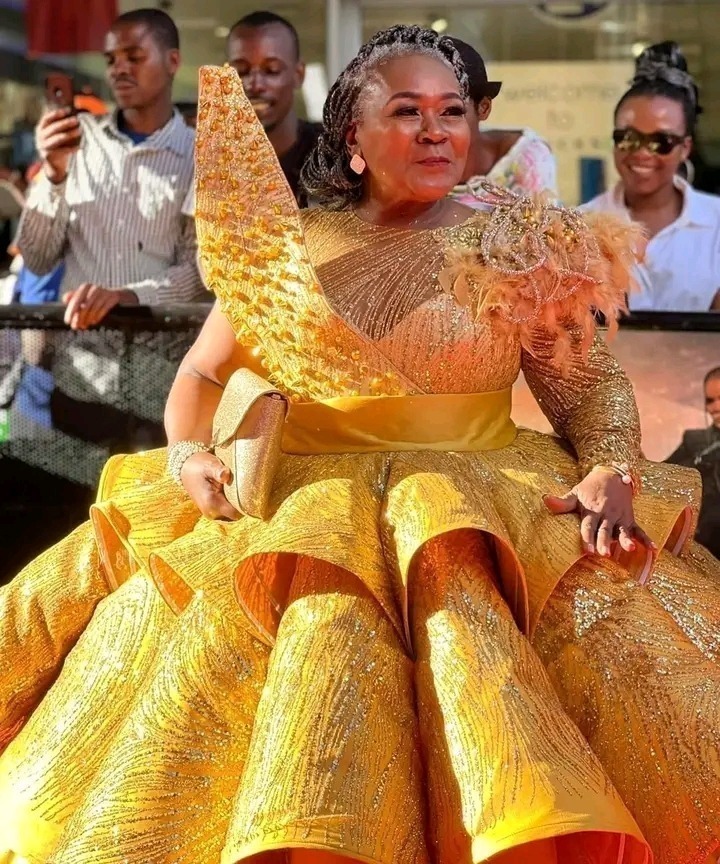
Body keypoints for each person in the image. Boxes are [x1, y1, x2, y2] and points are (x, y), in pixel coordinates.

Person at [0, 25, 717, 864]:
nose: (436, 130)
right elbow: (198, 375)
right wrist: (189, 457)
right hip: (298, 512)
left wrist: (610, 471)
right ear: (351, 138)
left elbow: (586, 386)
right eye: (406, 111)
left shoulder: (522, 241)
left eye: (452, 111)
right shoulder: (286, 246)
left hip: (488, 521)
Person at [15, 6, 204, 326]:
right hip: (82, 359)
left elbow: (200, 271)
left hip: (159, 354)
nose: (119, 69)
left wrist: (130, 296)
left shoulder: (200, 153)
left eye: (134, 57)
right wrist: (53, 174)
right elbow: (37, 258)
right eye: (111, 60)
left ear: (172, 62)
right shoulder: (76, 140)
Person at [581, 41, 720, 312]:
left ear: (685, 149)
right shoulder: (580, 225)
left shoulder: (716, 225)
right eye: (628, 138)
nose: (643, 153)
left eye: (662, 141)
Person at [226, 10, 321, 205]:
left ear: (298, 75)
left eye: (271, 70)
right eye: (241, 72)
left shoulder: (332, 156)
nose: (255, 85)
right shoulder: (215, 159)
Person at [448, 37, 558, 204]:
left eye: (451, 111)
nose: (433, 128)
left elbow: (543, 226)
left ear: (483, 108)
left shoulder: (524, 160)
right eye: (412, 111)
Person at [666, 366, 720, 558]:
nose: (716, 407)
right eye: (710, 400)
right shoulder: (694, 442)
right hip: (704, 549)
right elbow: (664, 474)